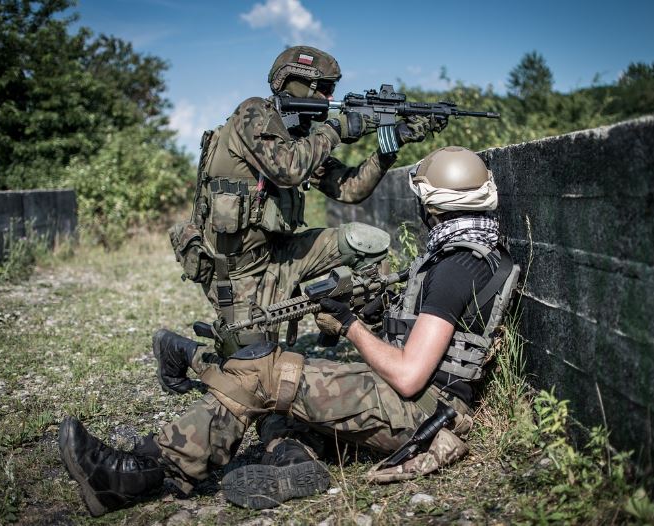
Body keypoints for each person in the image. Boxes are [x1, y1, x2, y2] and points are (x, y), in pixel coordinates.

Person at [58, 146, 520, 516]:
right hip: (420, 407)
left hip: (421, 415)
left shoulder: (457, 267)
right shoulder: (474, 252)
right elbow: (428, 342)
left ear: (433, 207)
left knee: (267, 374)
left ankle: (139, 471)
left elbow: (408, 375)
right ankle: (293, 460)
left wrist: (348, 324)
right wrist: (375, 313)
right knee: (282, 394)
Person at [166, 45, 447, 361]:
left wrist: (391, 142)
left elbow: (350, 189)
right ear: (298, 83)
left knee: (366, 243)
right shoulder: (253, 114)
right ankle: (180, 351)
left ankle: (381, 344)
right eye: (324, 89)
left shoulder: (298, 136)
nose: (330, 99)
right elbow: (286, 170)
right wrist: (336, 129)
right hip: (237, 271)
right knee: (251, 362)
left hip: (282, 254)